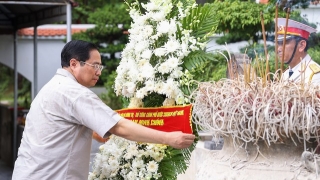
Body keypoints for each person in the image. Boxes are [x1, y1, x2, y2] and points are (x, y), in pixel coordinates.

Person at [12, 40, 195, 180]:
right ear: (74, 64)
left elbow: (59, 128)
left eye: (100, 66)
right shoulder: (74, 93)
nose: (99, 72)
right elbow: (119, 127)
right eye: (95, 66)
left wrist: (95, 131)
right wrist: (169, 138)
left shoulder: (52, 87)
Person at [276, 18, 320, 84]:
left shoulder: (315, 75)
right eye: (278, 43)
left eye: (284, 43)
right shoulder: (286, 74)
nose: (279, 49)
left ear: (302, 45)